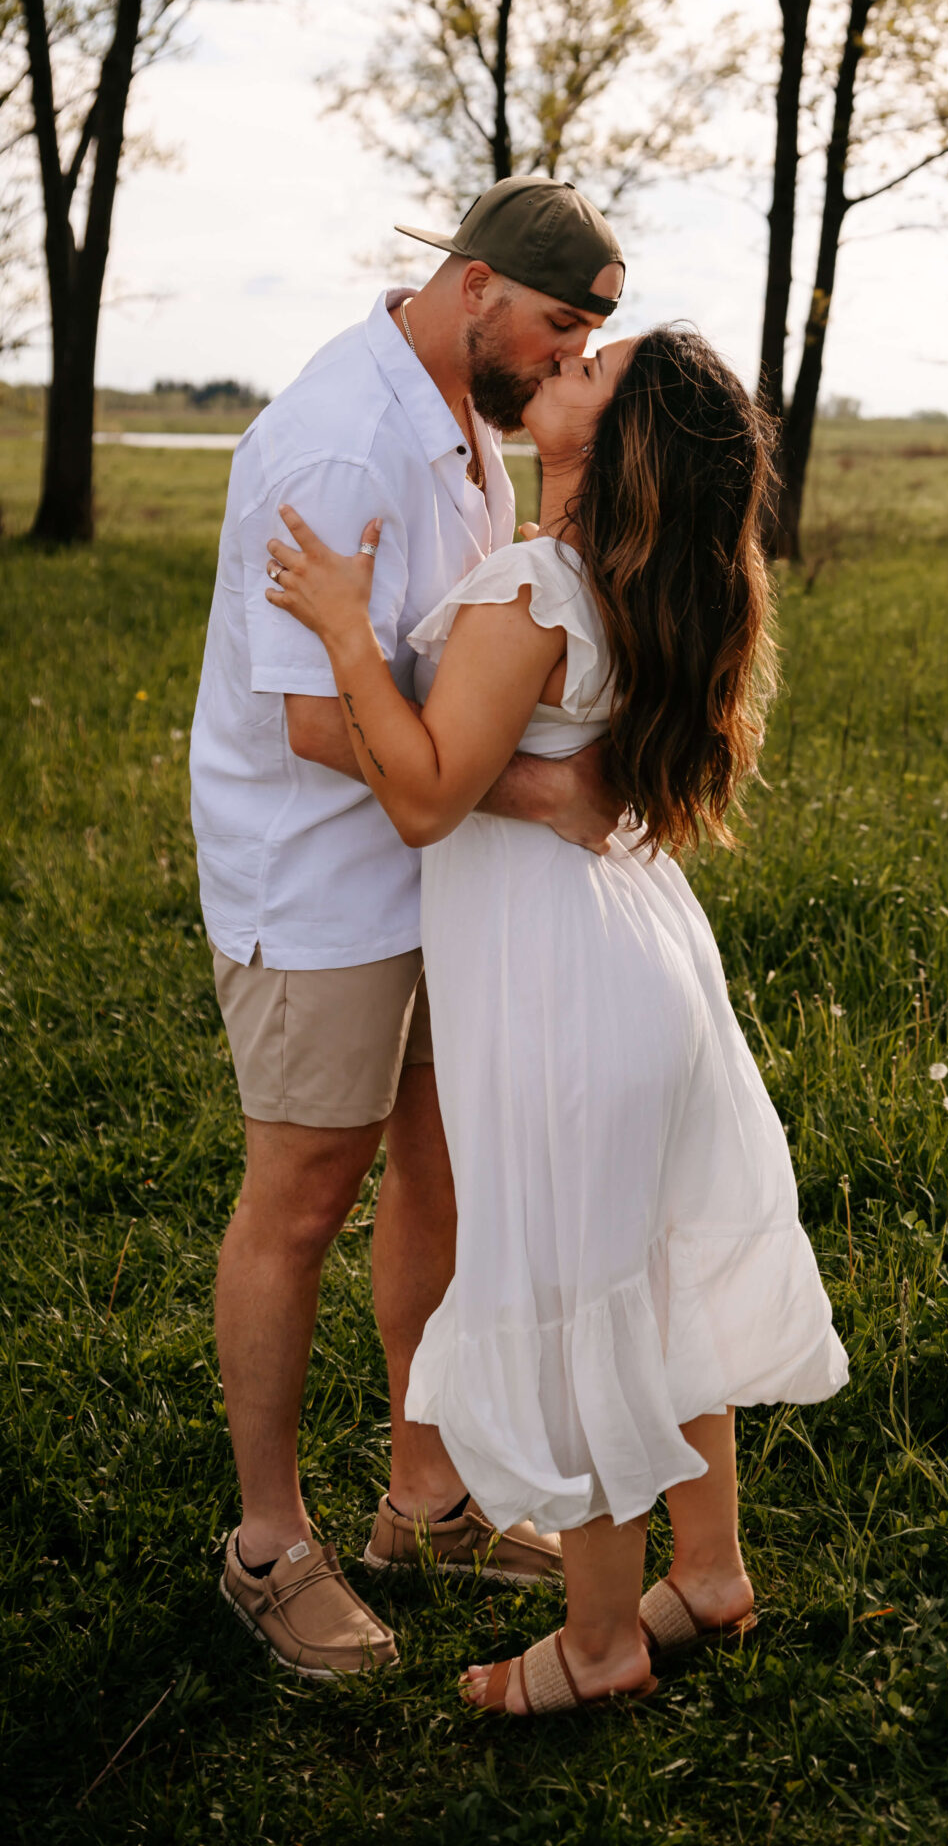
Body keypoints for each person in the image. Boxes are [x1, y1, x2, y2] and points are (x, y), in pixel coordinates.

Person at [263, 323, 848, 1716]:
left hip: (563, 990)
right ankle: (706, 1572)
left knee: (581, 1293)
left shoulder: (533, 587)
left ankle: (598, 1646)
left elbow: (418, 794)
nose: (560, 367)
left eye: (591, 368)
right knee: (646, 1282)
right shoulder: (638, 586)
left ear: (610, 436)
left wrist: (345, 631)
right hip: (640, 961)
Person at [190, 176, 631, 1679]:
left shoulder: (470, 438)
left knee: (434, 1169)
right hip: (315, 881)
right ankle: (266, 1546)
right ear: (474, 285)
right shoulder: (341, 434)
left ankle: (424, 1500)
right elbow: (320, 721)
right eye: (556, 328)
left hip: (430, 869)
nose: (562, 362)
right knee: (302, 1200)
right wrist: (541, 791)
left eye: (585, 342)